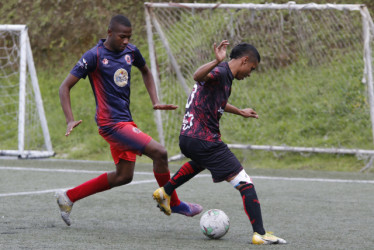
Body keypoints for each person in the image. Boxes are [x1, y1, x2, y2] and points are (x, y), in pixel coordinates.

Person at [56, 14, 202, 226]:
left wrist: (155, 100)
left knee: (123, 176)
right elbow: (64, 87)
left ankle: (68, 197)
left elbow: (145, 71)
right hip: (111, 125)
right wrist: (69, 119)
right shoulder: (93, 56)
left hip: (125, 122)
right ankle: (173, 201)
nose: (126, 41)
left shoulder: (131, 51)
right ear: (109, 33)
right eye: (122, 37)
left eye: (129, 37)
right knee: (160, 153)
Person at [153, 40, 287, 245]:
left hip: (188, 138)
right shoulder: (221, 71)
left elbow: (218, 101)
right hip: (203, 139)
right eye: (251, 68)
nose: (250, 73)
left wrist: (240, 111)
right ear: (244, 61)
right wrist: (216, 61)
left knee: (201, 162)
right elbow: (198, 77)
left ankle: (165, 191)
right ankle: (260, 233)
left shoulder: (225, 77)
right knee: (245, 182)